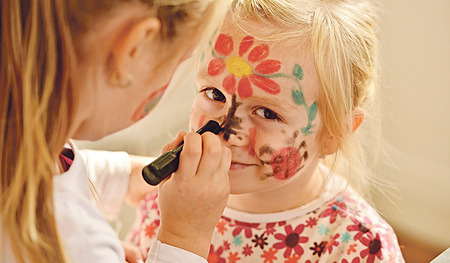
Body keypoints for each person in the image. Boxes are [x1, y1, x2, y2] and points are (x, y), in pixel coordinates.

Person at [125, 0, 406, 262]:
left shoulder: (360, 246)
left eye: (267, 113)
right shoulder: (174, 198)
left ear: (335, 133)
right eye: (214, 93)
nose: (227, 130)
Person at [0, 0, 232, 262]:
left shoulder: (23, 137)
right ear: (135, 48)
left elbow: (54, 170)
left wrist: (127, 176)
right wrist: (184, 237)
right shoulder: (73, 242)